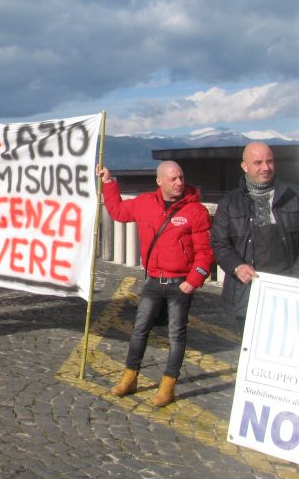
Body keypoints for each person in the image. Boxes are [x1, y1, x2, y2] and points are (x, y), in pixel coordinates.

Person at [96, 161, 214, 407]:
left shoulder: (196, 211)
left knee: (176, 334)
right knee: (140, 329)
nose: (179, 182)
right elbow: (117, 211)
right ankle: (130, 377)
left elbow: (206, 252)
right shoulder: (145, 203)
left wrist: (194, 280)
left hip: (180, 283)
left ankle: (168, 385)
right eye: (173, 178)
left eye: (181, 177)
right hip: (153, 280)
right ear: (159, 181)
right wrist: (108, 182)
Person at [211, 142, 299, 333]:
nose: (265, 168)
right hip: (247, 292)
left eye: (269, 161)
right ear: (245, 166)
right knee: (252, 351)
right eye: (258, 162)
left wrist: (295, 275)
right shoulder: (229, 203)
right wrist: (237, 266)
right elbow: (220, 244)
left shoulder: (294, 196)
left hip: (289, 290)